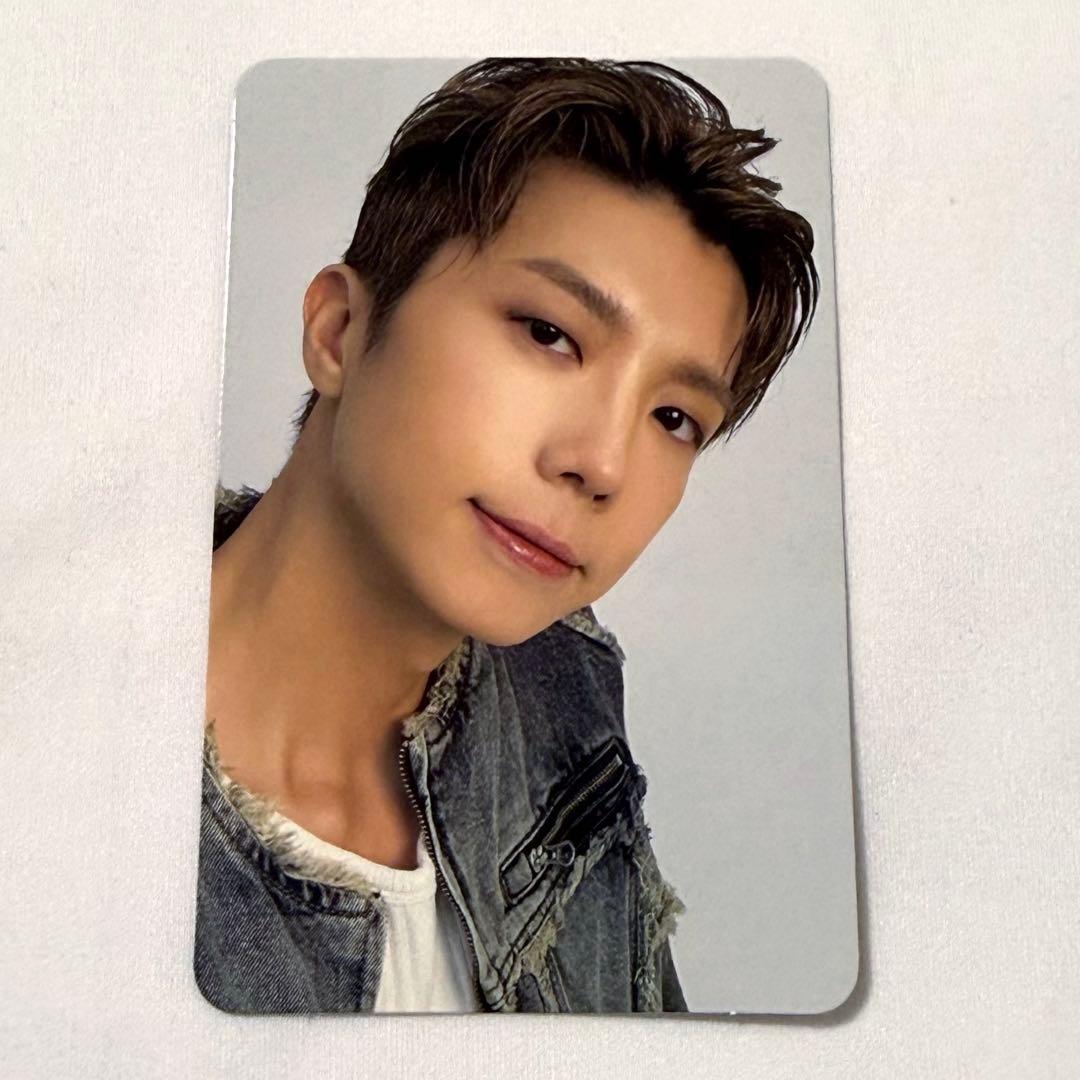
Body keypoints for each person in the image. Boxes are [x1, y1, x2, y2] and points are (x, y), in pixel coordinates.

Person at [195, 56, 819, 1014]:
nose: (602, 464)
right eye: (548, 333)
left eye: (674, 418)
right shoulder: (59, 771)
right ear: (340, 332)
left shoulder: (562, 687)